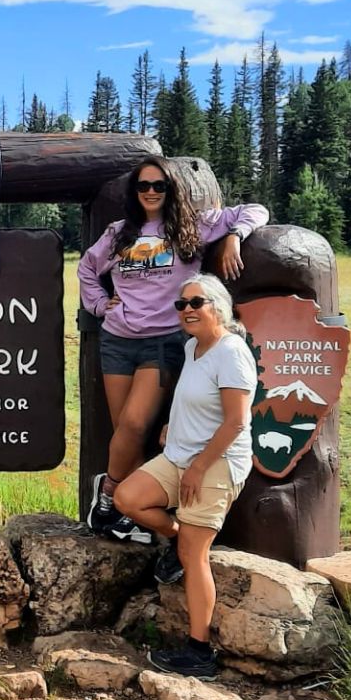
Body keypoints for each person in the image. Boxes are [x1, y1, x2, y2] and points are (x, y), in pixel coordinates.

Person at [75, 156, 266, 538]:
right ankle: (131, 514)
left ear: (171, 189)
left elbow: (255, 210)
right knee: (126, 431)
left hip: (162, 341)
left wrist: (234, 236)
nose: (150, 192)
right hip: (117, 340)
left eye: (158, 185)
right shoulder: (119, 233)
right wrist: (99, 305)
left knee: (135, 423)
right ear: (134, 192)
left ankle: (109, 492)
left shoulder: (193, 226)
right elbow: (86, 269)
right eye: (143, 186)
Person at [111, 274, 256, 678]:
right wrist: (173, 426)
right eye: (181, 304)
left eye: (196, 302)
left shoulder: (231, 352)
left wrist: (199, 467)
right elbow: (195, 400)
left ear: (219, 307)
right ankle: (177, 535)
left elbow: (236, 422)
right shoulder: (194, 347)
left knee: (195, 556)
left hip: (216, 463)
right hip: (179, 455)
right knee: (127, 498)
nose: (187, 310)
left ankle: (199, 651)